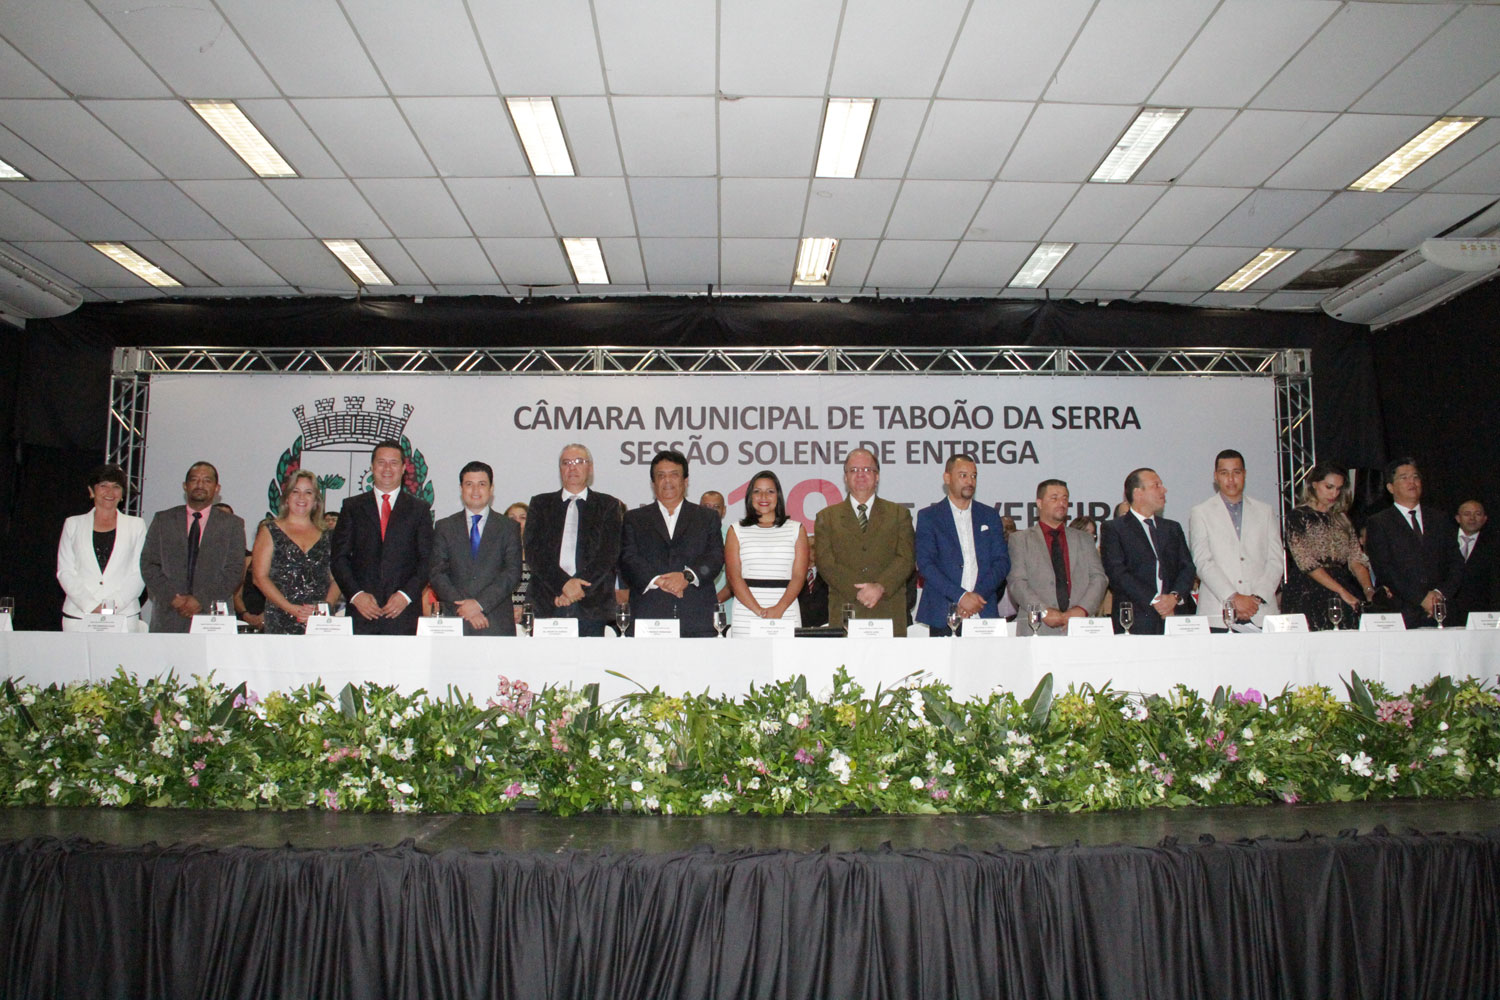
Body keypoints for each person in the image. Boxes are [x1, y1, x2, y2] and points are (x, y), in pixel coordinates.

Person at [330, 440, 434, 635]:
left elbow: (427, 561)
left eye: (394, 463)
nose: (387, 468)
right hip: (362, 614)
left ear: (404, 468)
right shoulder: (352, 507)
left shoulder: (419, 510)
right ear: (372, 467)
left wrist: (405, 596)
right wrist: (356, 595)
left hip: (403, 614)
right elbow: (339, 558)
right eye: (381, 462)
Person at [620, 450, 725, 636]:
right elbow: (628, 559)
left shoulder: (706, 517)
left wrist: (687, 576)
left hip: (696, 616)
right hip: (649, 614)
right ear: (653, 483)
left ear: (685, 481)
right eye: (661, 476)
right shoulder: (634, 519)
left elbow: (715, 557)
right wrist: (658, 581)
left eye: (674, 475)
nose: (667, 481)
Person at [813, 448, 915, 635]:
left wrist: (879, 587)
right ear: (845, 477)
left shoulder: (899, 514)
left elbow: (906, 559)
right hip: (846, 609)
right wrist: (859, 591)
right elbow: (826, 563)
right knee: (844, 665)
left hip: (888, 608)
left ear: (877, 477)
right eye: (854, 470)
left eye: (867, 470)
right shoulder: (826, 517)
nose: (860, 475)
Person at [526, 444, 623, 636]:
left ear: (591, 468)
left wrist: (576, 588)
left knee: (590, 665)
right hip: (549, 601)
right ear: (560, 469)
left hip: (591, 605)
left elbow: (608, 553)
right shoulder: (540, 504)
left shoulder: (608, 505)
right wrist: (563, 584)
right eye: (566, 463)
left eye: (579, 462)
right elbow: (533, 552)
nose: (573, 467)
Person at [140, 461, 247, 633]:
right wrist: (173, 598)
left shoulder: (232, 524)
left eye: (207, 480)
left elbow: (234, 570)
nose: (200, 485)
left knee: (214, 661)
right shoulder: (163, 520)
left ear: (217, 488)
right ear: (185, 485)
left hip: (213, 616)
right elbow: (148, 564)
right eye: (194, 480)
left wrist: (201, 600)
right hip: (169, 614)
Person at [1187, 449, 1285, 630]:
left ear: (1245, 474)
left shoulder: (1265, 511)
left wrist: (1256, 598)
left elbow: (1276, 560)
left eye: (1236, 473)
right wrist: (1234, 598)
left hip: (1261, 612)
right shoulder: (1201, 512)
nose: (1231, 479)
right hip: (1218, 613)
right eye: (1224, 473)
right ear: (1216, 476)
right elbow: (1203, 561)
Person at [914, 454, 1009, 636]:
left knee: (989, 664)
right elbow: (926, 565)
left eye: (974, 476)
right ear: (947, 478)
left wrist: (975, 598)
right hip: (944, 612)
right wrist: (961, 597)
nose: (970, 481)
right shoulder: (929, 517)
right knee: (943, 665)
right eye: (963, 475)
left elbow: (1002, 562)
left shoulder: (989, 515)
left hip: (983, 610)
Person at [1364, 458, 1463, 628]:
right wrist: (1421, 598)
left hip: (1441, 610)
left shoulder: (1440, 519)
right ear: (1390, 487)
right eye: (1404, 477)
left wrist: (1439, 594)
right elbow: (1384, 568)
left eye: (1416, 477)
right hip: (1403, 612)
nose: (1412, 482)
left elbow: (1456, 562)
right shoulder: (1379, 522)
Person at [428, 462, 523, 636]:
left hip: (495, 622)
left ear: (491, 488)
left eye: (482, 484)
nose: (475, 490)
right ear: (461, 488)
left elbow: (512, 573)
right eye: (469, 484)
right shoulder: (444, 527)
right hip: (456, 620)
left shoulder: (508, 528)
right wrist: (465, 607)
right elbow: (437, 573)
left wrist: (479, 604)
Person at [1006, 478, 1108, 635]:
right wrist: (1044, 612)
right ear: (1039, 503)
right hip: (1036, 627)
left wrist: (1081, 610)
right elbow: (1017, 583)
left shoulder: (1085, 539)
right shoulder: (1020, 539)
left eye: (1065, 498)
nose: (1061, 503)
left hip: (1080, 627)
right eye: (1054, 498)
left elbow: (1099, 578)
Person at [1100, 467, 1196, 634]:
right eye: (1156, 485)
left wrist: (1174, 597)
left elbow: (1187, 567)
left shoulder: (1172, 528)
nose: (1164, 490)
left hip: (1175, 617)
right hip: (1135, 619)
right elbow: (1117, 573)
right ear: (1138, 493)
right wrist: (1155, 600)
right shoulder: (1114, 528)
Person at [1281, 460, 1375, 630]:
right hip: (1308, 588)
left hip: (1343, 585)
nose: (1334, 494)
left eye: (1339, 489)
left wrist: (1368, 590)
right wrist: (1342, 592)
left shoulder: (1342, 519)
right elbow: (1306, 563)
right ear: (1314, 485)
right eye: (1329, 487)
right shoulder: (1298, 517)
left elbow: (1356, 558)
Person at [57, 464, 147, 631]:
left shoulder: (137, 525)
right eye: (103, 486)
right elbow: (65, 571)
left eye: (116, 487)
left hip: (123, 615)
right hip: (79, 615)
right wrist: (90, 605)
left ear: (122, 495)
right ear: (92, 491)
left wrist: (112, 605)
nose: (109, 492)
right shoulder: (73, 524)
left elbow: (140, 571)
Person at [251, 469, 335, 634]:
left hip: (319, 621)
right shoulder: (269, 530)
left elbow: (337, 578)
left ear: (316, 500)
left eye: (308, 492)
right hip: (280, 617)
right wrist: (290, 608)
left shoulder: (328, 535)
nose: (301, 497)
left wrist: (325, 608)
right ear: (287, 497)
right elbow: (259, 577)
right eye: (295, 491)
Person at [725, 470, 807, 625]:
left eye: (770, 491)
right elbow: (734, 577)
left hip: (786, 612)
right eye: (757, 492)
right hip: (746, 613)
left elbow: (798, 576)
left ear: (778, 496)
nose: (763, 497)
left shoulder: (797, 529)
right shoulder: (735, 530)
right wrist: (759, 611)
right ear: (750, 496)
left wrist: (779, 609)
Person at [1452, 500, 1497, 625]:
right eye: (1467, 514)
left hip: (1481, 616)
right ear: (1458, 518)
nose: (1472, 518)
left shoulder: (1493, 547)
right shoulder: (1443, 541)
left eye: (1477, 514)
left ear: (1484, 518)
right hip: (1447, 613)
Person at [700, 490, 734, 607]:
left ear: (724, 511)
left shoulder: (733, 536)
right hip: (693, 609)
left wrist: (712, 602)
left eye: (716, 507)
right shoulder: (687, 537)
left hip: (725, 611)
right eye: (706, 507)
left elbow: (736, 578)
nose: (711, 511)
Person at [504, 502, 530, 627]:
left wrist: (524, 610)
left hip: (531, 614)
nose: (517, 522)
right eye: (512, 518)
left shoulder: (538, 554)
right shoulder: (496, 552)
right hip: (503, 614)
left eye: (523, 517)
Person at [797, 534, 830, 627]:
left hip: (824, 629)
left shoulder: (828, 575)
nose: (816, 551)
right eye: (813, 547)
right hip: (799, 628)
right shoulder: (795, 574)